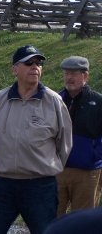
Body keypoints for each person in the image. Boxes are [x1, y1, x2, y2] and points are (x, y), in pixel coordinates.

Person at [0, 45, 72, 234]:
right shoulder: (0, 99)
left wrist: (44, 167)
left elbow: (65, 144)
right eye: (29, 63)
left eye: (38, 63)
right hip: (2, 184)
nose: (35, 67)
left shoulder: (53, 101)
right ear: (14, 69)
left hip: (40, 186)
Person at [56, 56, 102, 216]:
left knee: (82, 221)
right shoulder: (56, 99)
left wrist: (94, 155)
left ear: (85, 76)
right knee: (50, 218)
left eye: (74, 73)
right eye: (66, 73)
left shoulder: (98, 101)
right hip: (57, 170)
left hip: (87, 173)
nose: (69, 77)